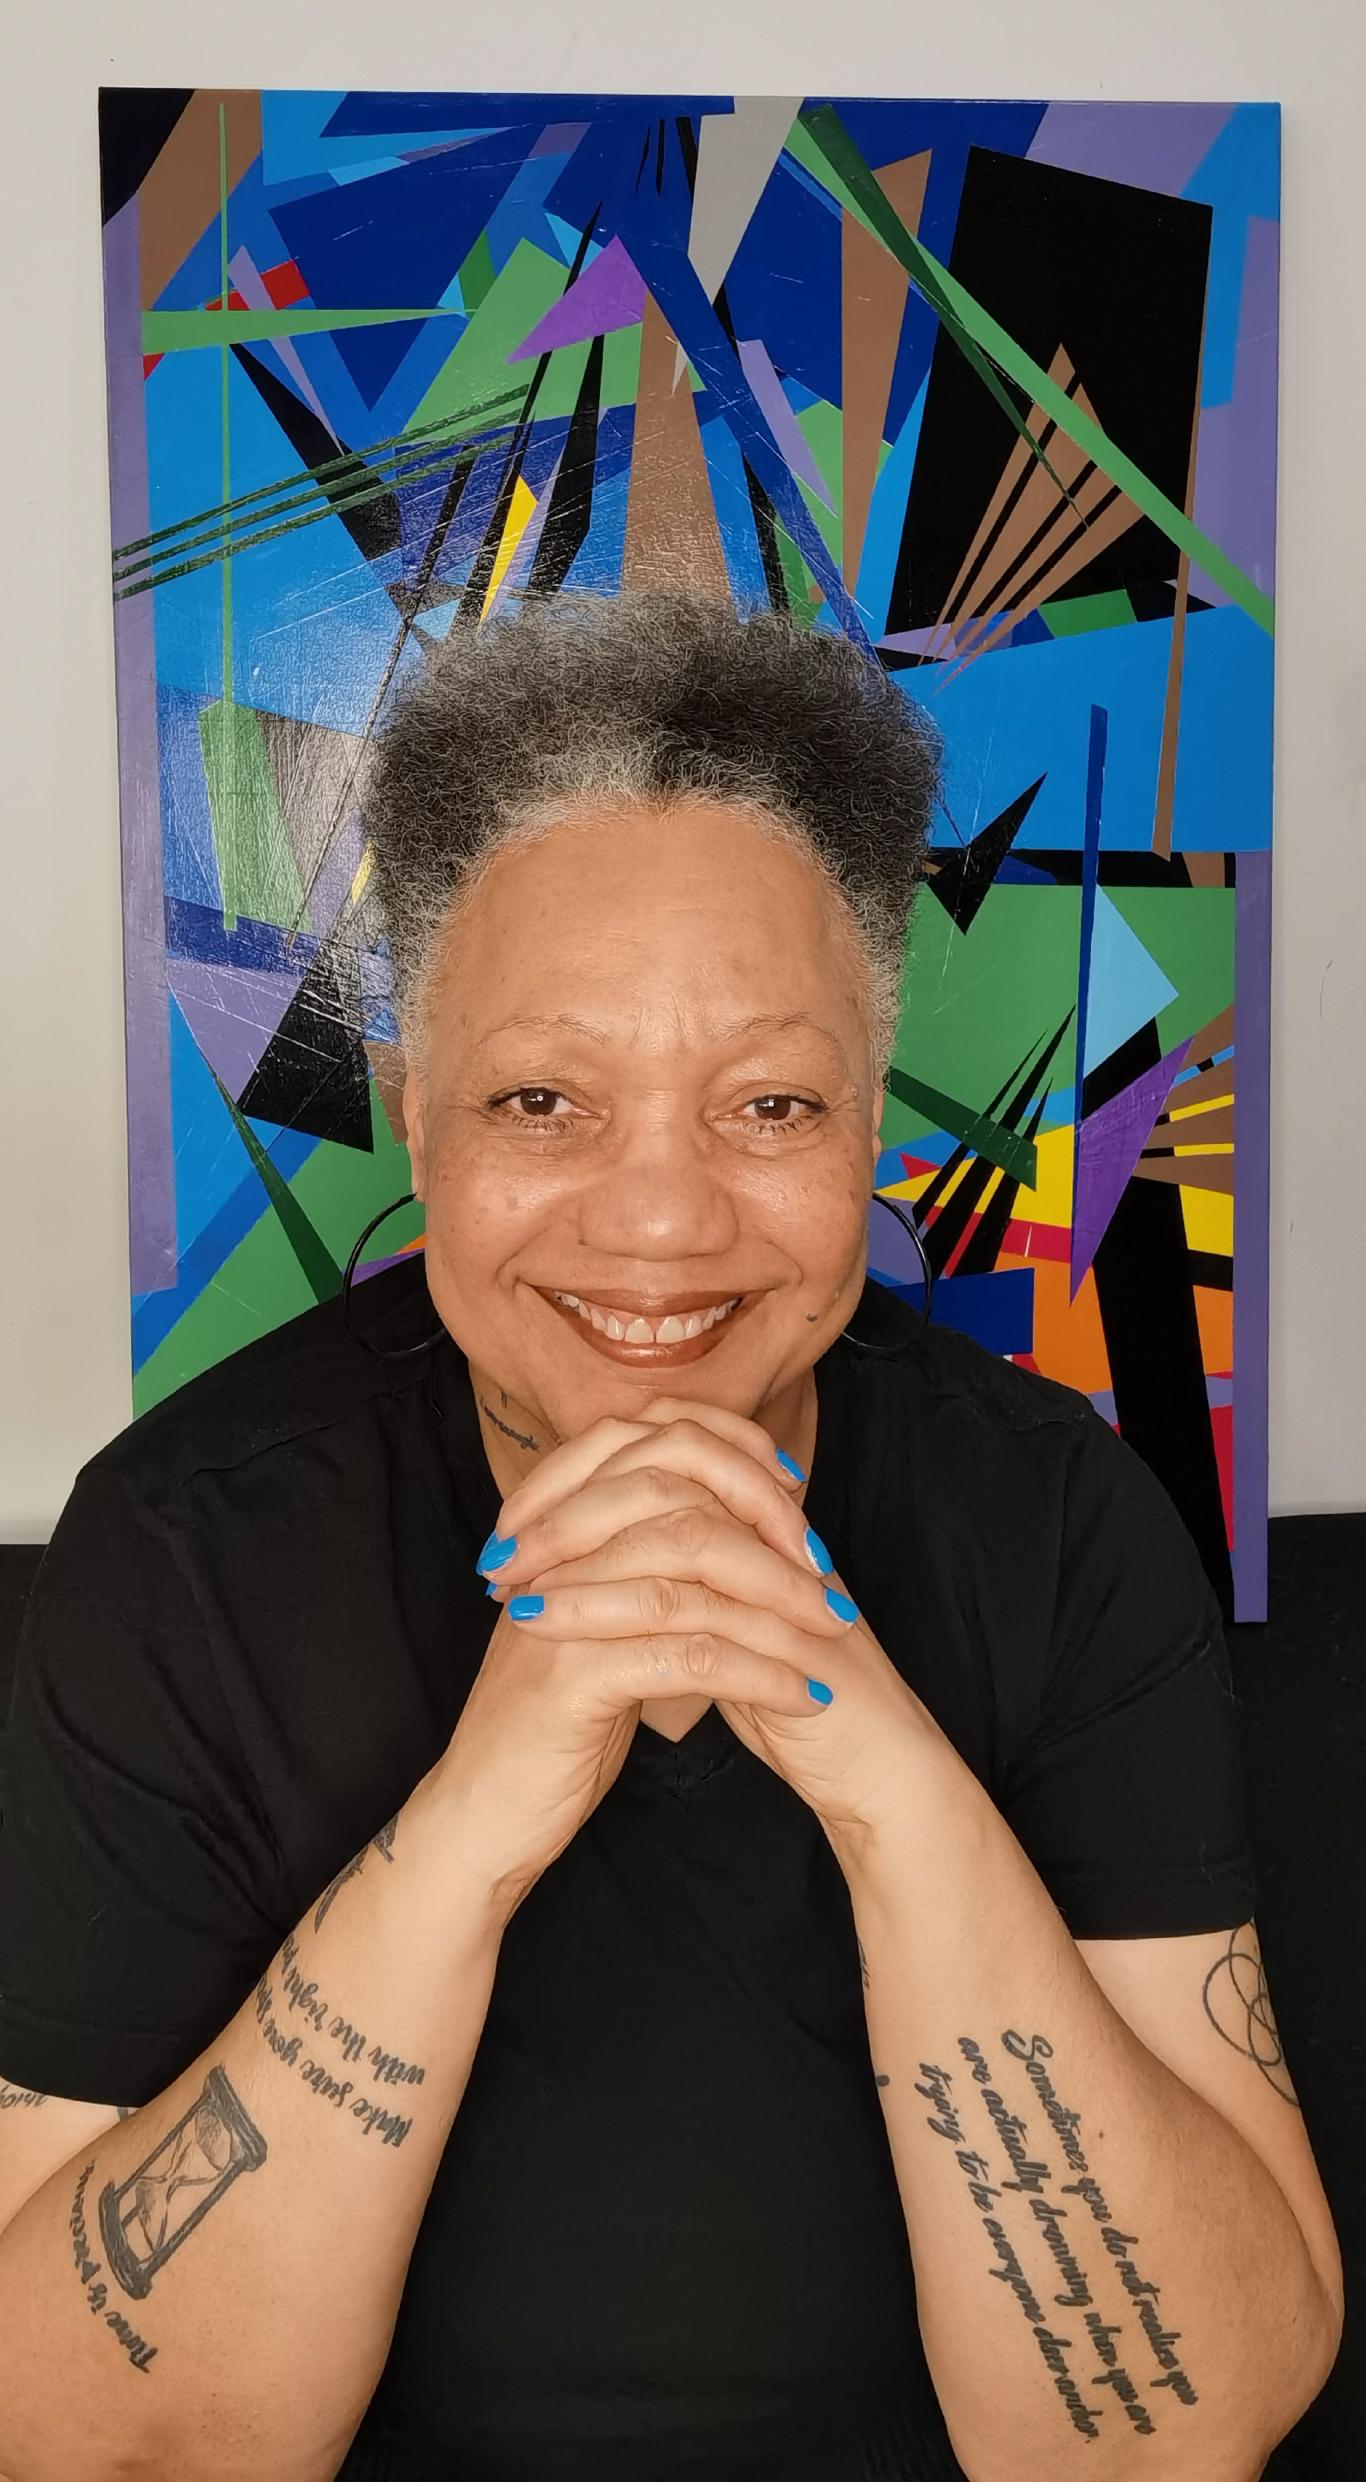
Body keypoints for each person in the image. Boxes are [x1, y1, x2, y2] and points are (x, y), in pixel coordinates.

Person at [0, 590, 1341, 2482]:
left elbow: (1167, 2436)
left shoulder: (1055, 1521)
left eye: (769, 1105)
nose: (658, 1225)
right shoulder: (184, 1549)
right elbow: (90, 2438)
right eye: (543, 1099)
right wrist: (473, 1816)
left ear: (868, 1126)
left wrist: (872, 1758)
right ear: (414, 1118)